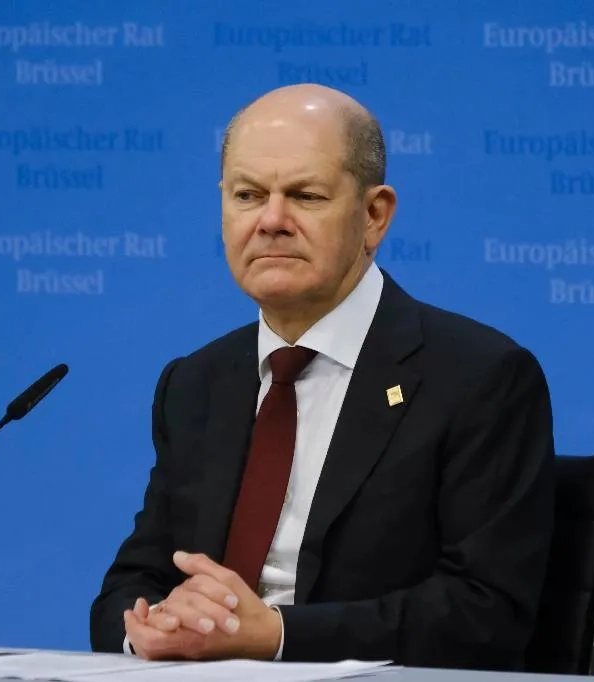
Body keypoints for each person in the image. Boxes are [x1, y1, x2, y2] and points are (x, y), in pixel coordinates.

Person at [89, 83, 555, 670]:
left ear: (374, 215)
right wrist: (147, 629)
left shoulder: (479, 378)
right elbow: (134, 580)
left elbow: (485, 613)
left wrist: (276, 635)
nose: (271, 221)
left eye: (305, 196)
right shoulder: (196, 383)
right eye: (247, 195)